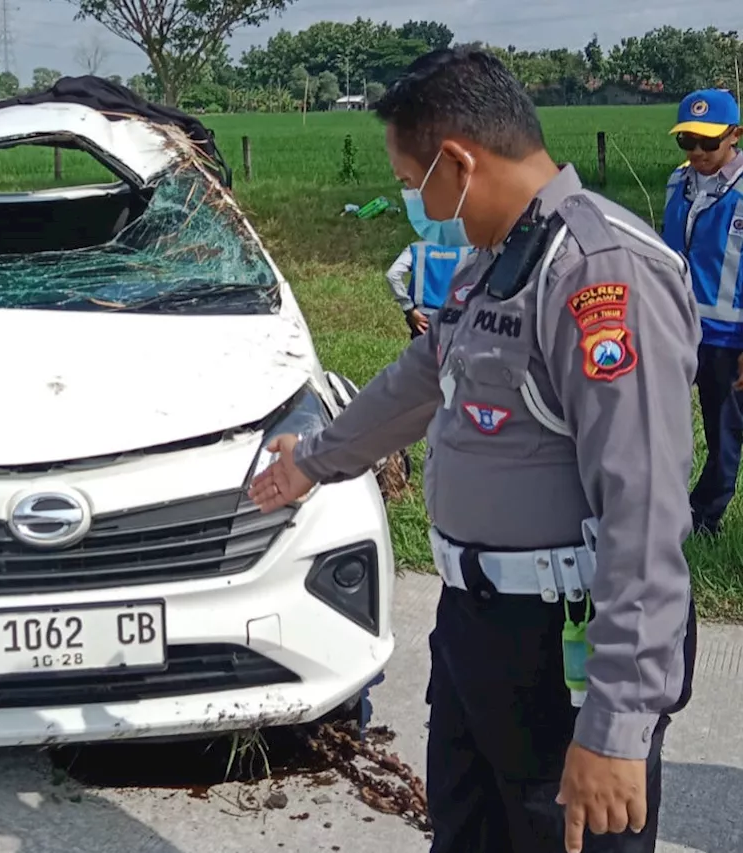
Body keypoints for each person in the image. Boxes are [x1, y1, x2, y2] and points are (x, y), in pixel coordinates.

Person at [249, 47, 698, 853]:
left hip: (562, 645)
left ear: (459, 161)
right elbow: (422, 379)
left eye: (413, 183)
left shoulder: (601, 276)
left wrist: (617, 726)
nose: (413, 203)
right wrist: (313, 459)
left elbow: (646, 514)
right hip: (479, 635)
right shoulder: (497, 263)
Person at [661, 88, 743, 536]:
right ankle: (660, 502)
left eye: (708, 143)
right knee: (660, 422)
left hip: (728, 340)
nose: (697, 152)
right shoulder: (679, 182)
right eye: (686, 141)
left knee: (723, 435)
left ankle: (704, 518)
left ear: (735, 136)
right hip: (673, 327)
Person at [387, 240, 475, 337]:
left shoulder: (417, 248)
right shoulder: (471, 249)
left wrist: (409, 308)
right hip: (457, 316)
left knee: (422, 351)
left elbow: (392, 275)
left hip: (423, 317)